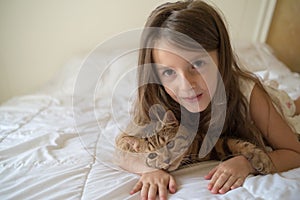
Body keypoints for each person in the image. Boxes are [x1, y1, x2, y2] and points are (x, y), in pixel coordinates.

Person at [118, 0, 300, 199]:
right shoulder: (156, 97)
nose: (186, 84)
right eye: (169, 71)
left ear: (222, 56)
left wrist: (248, 163)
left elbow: (294, 152)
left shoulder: (249, 94)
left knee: (291, 107)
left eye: (197, 64)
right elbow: (123, 152)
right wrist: (149, 168)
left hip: (272, 105)